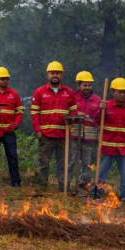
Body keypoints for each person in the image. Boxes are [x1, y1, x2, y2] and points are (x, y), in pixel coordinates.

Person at [30, 61, 78, 191]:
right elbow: (34, 113)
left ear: (61, 75)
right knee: (43, 163)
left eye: (57, 73)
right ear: (48, 75)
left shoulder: (69, 92)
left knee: (63, 164)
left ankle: (64, 189)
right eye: (52, 73)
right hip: (46, 135)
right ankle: (41, 188)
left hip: (63, 135)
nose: (55, 75)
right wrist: (38, 130)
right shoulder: (39, 92)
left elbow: (74, 112)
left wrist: (71, 126)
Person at [97, 77, 125, 204]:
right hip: (108, 148)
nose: (122, 94)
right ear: (113, 92)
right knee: (101, 172)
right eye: (120, 92)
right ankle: (97, 193)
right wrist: (100, 110)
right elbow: (97, 122)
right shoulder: (106, 105)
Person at [71, 71, 101, 193]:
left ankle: (83, 185)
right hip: (75, 134)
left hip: (90, 137)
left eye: (89, 85)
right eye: (84, 85)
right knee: (72, 161)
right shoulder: (72, 97)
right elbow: (67, 112)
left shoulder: (98, 99)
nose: (87, 87)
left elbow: (100, 118)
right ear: (79, 86)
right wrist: (77, 114)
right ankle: (68, 185)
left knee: (87, 163)